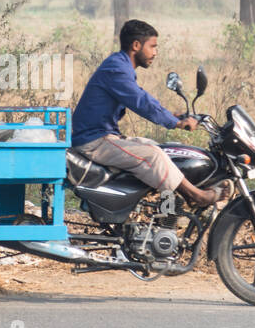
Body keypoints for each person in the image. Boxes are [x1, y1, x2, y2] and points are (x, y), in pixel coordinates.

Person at [70, 19, 234, 207]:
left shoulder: (119, 65)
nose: (155, 53)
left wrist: (174, 115)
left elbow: (142, 99)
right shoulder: (117, 69)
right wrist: (176, 122)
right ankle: (196, 196)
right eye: (153, 46)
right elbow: (141, 101)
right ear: (136, 45)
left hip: (103, 136)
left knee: (160, 148)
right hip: (93, 141)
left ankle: (166, 209)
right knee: (153, 155)